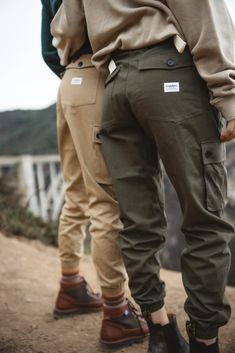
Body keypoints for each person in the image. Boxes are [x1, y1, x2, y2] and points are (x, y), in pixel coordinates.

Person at [51, 1, 235, 353]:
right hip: (172, 75)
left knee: (137, 222)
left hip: (116, 88)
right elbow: (205, 16)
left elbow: (66, 28)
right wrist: (229, 95)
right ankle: (205, 340)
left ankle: (159, 331)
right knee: (205, 219)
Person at [40, 0, 149, 349]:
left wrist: (71, 71)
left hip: (67, 83)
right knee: (105, 200)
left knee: (77, 193)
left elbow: (47, 47)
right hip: (95, 78)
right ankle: (117, 315)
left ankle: (71, 286)